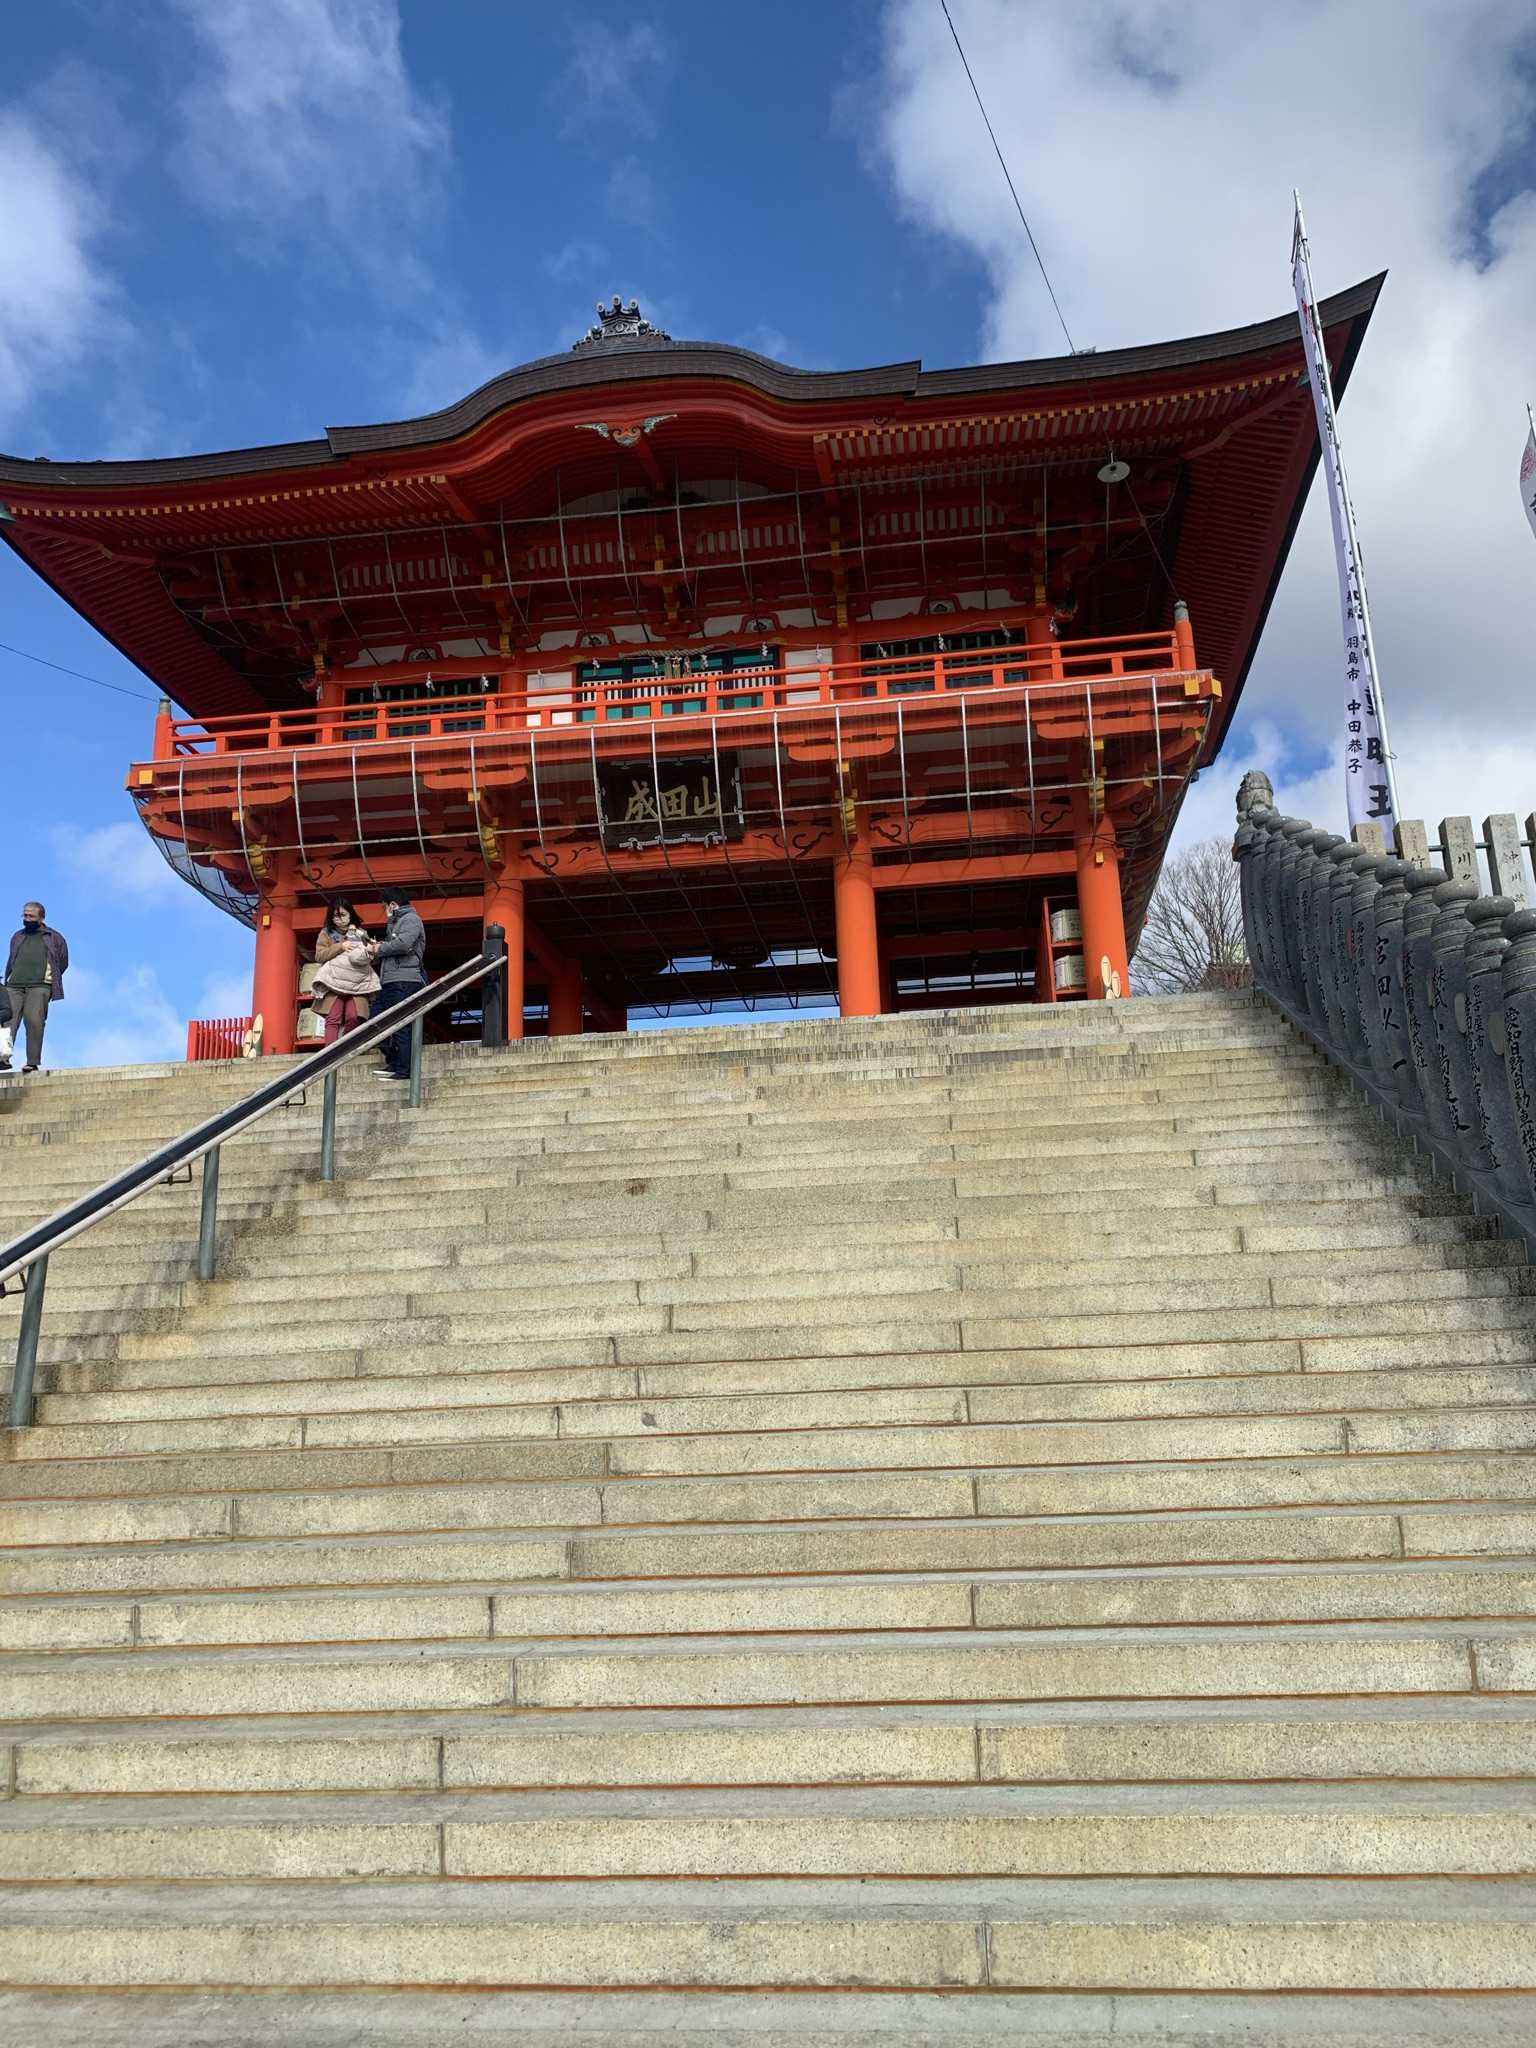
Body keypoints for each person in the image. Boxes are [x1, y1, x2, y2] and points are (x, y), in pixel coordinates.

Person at [2, 902, 69, 1074]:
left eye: (31, 916)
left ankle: (32, 1062)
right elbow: (12, 958)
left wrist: (49, 977)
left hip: (40, 985)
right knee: (7, 1021)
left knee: (34, 1021)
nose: (27, 919)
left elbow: (62, 961)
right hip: (14, 984)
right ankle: (2, 1058)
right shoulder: (17, 936)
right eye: (25, 915)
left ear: (41, 917)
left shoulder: (54, 937)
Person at [367, 890, 426, 1079]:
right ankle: (395, 1061)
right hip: (389, 981)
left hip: (405, 980)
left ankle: (403, 1069)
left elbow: (404, 944)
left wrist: (379, 948)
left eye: (384, 906)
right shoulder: (396, 922)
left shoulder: (411, 919)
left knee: (400, 1026)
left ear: (392, 905)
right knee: (376, 1022)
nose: (384, 911)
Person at [311, 900, 380, 1045]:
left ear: (350, 914)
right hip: (333, 982)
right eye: (335, 916)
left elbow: (372, 960)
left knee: (354, 1016)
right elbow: (319, 956)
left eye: (342, 915)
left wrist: (371, 951)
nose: (339, 919)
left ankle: (344, 1046)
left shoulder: (361, 933)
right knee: (332, 1018)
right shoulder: (326, 933)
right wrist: (340, 947)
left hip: (358, 982)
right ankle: (329, 1056)